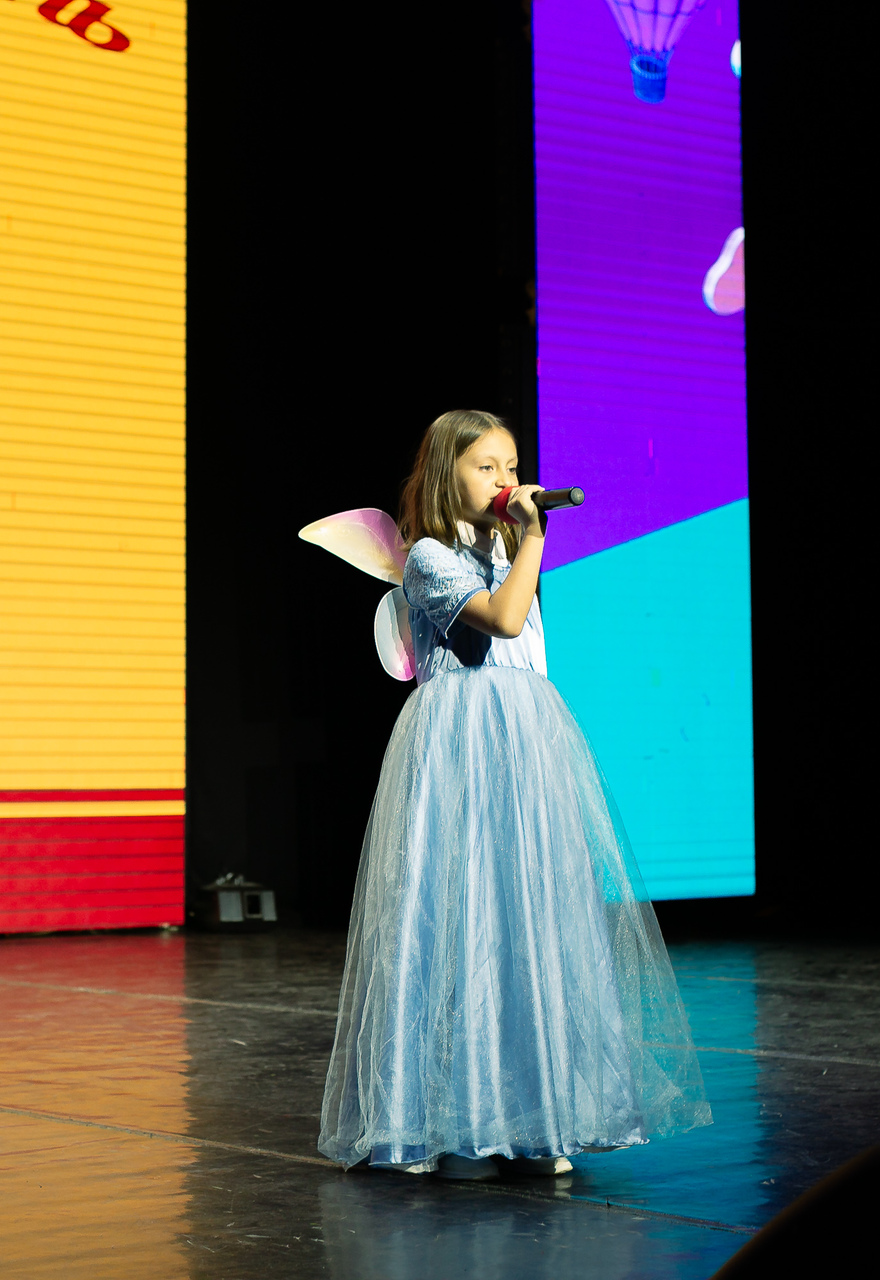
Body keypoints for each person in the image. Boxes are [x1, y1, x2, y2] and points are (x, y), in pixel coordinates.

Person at [317, 410, 711, 1181]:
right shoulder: (429, 556)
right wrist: (533, 538)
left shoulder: (500, 549)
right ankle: (419, 1122)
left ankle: (538, 1117)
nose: (506, 480)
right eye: (487, 467)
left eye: (512, 466)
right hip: (461, 742)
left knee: (532, 919)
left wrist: (517, 543)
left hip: (526, 741)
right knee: (452, 918)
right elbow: (499, 621)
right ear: (448, 475)